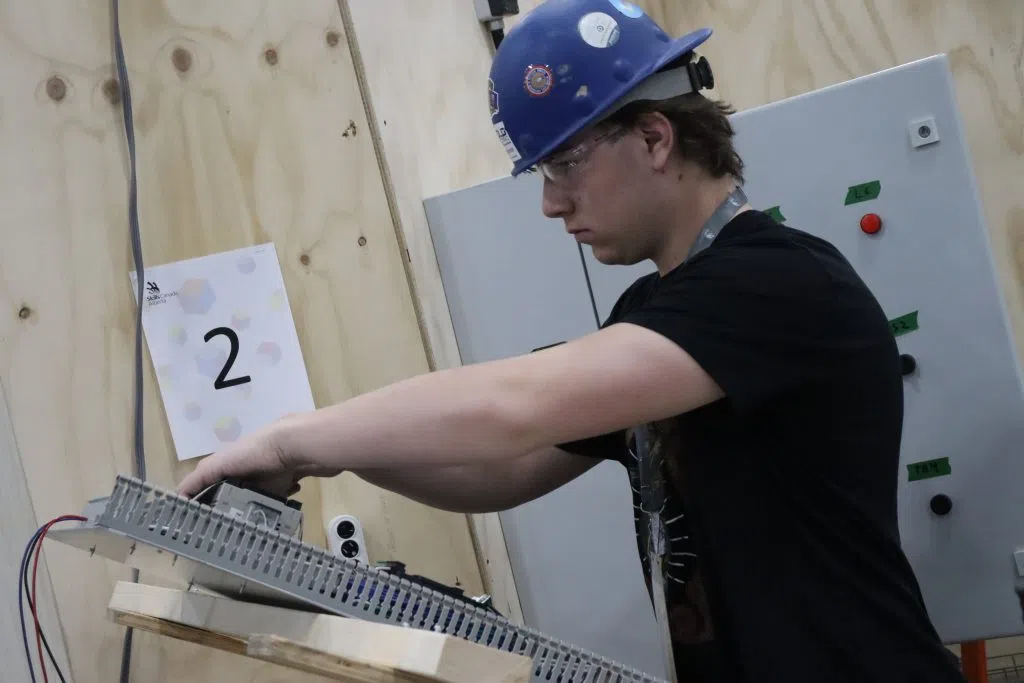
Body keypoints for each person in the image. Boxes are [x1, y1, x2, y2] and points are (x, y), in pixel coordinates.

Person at [178, 1, 968, 681]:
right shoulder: (655, 304)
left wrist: (290, 440)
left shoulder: (777, 284)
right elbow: (510, 465)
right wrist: (338, 453)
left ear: (656, 137)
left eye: (565, 166)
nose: (553, 204)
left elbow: (513, 408)